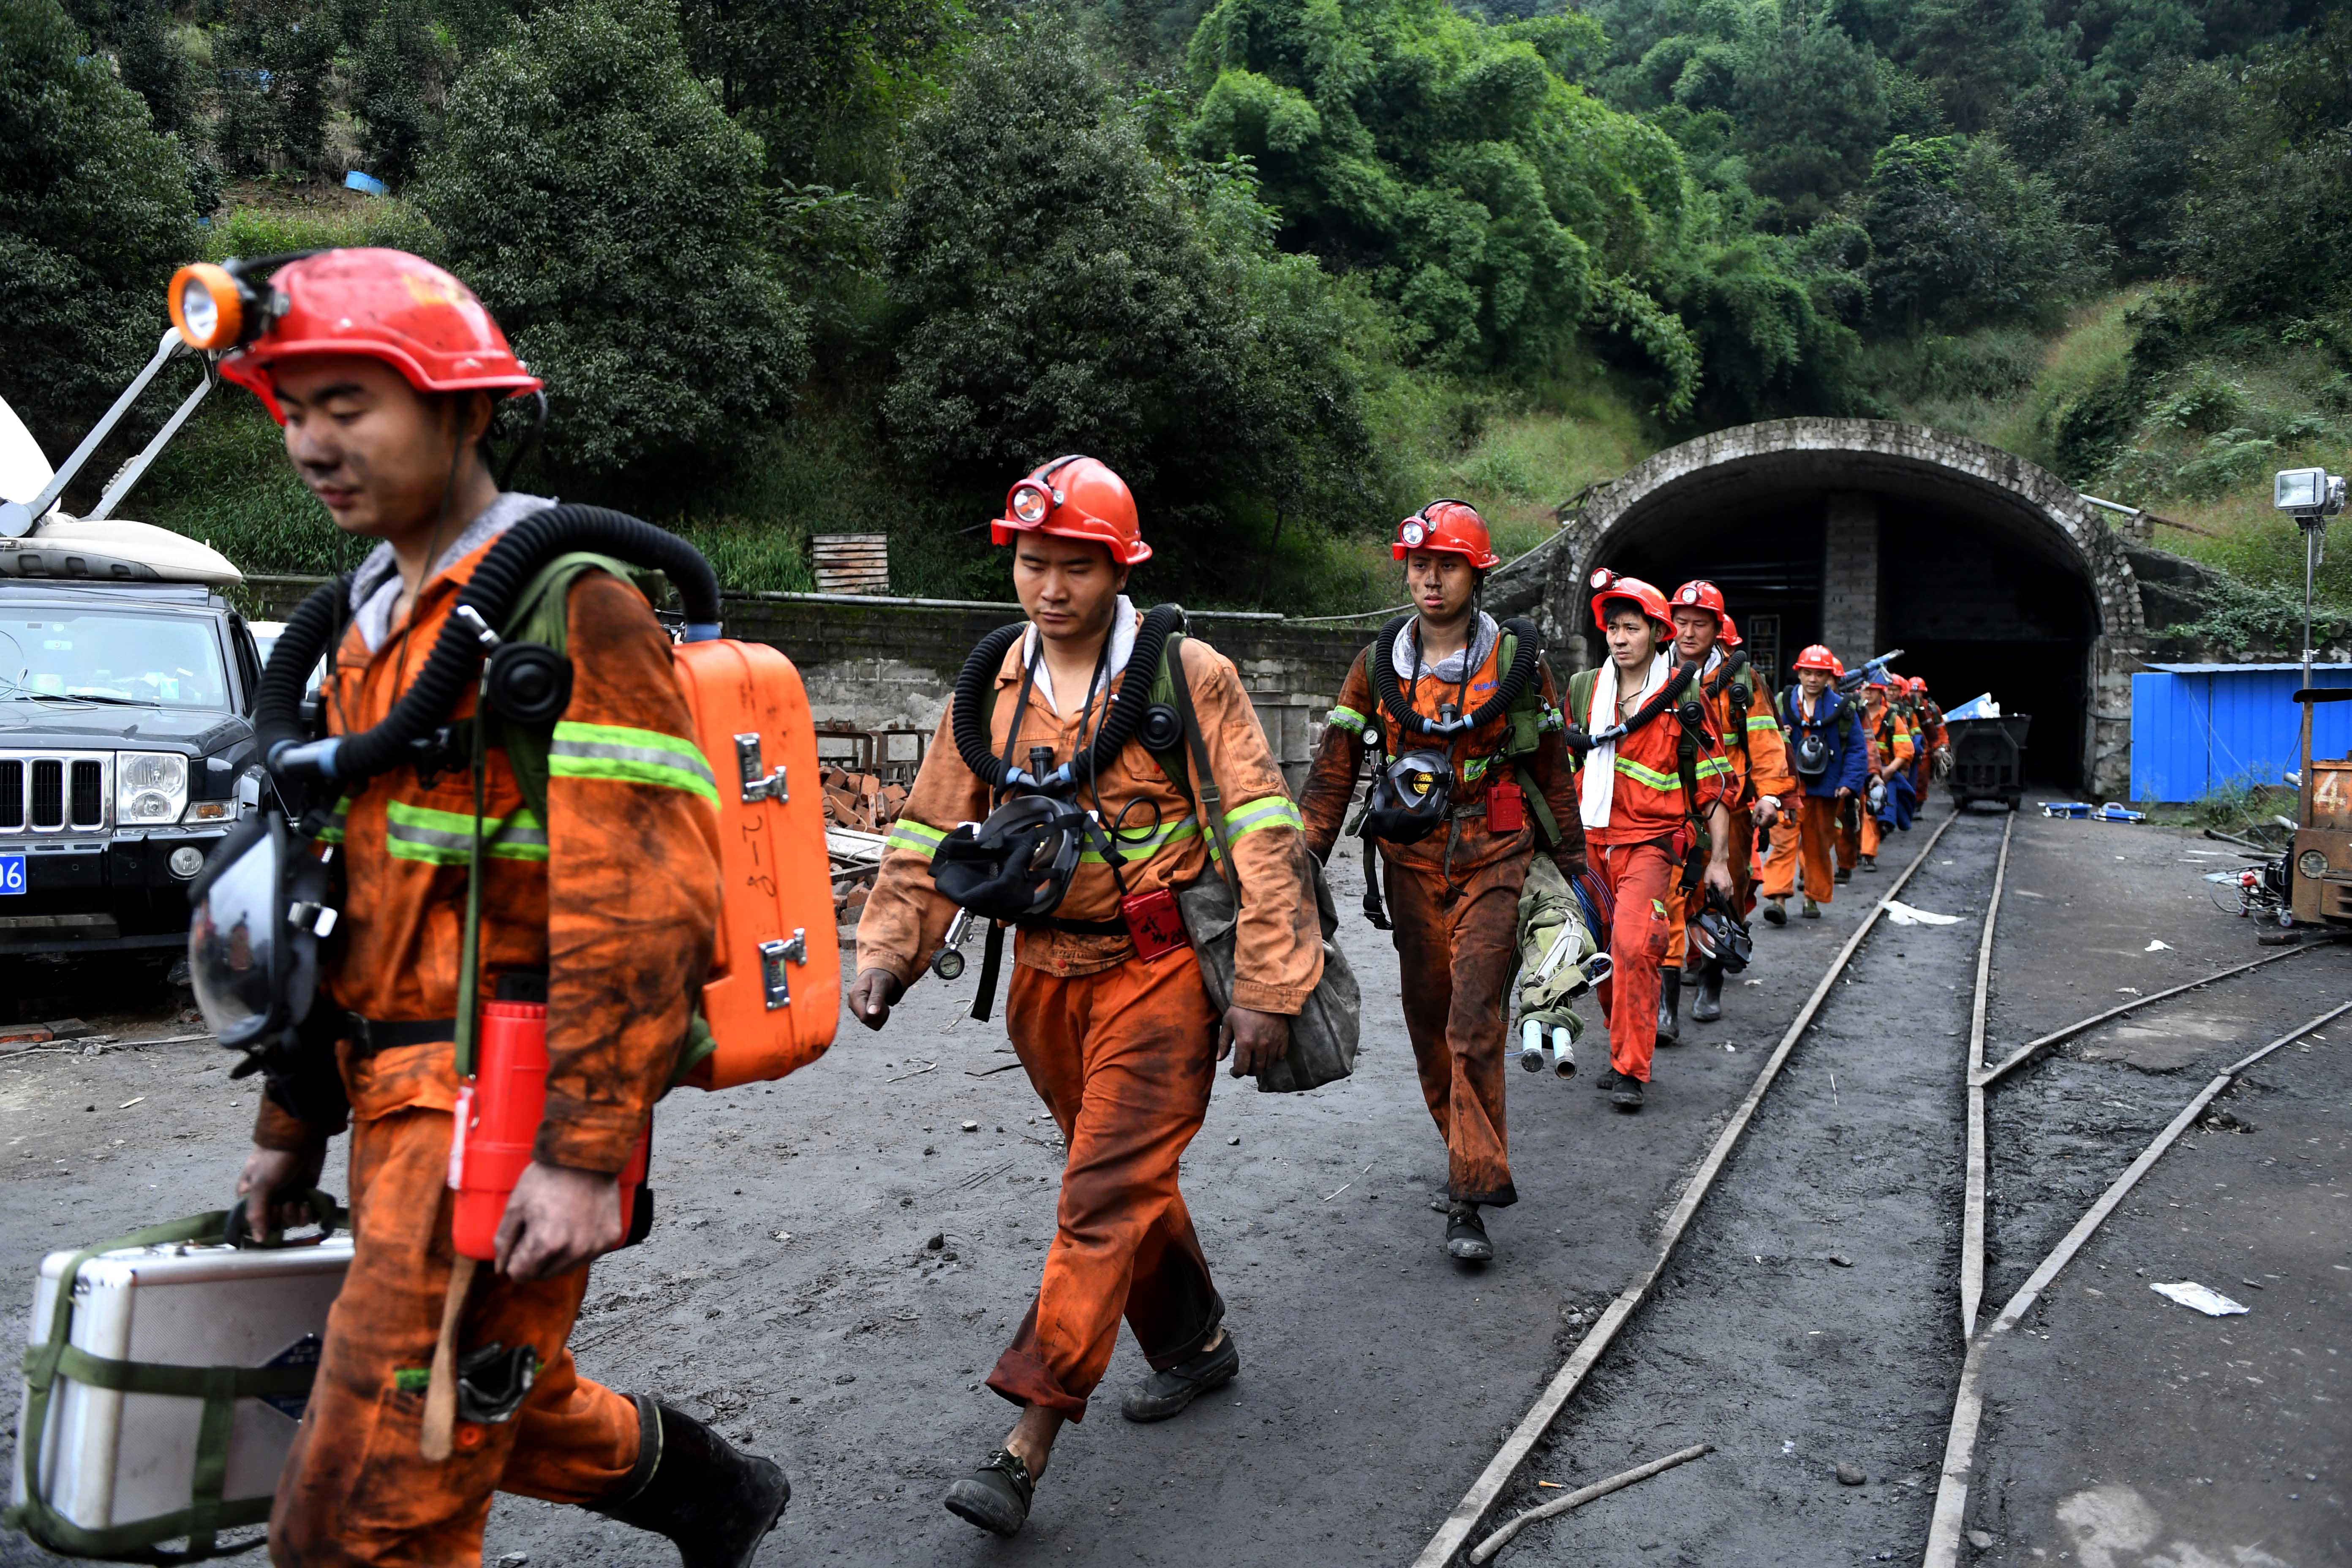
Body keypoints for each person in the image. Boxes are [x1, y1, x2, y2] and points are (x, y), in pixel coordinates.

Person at [224, 250, 785, 1568]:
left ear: (466, 410)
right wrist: (290, 1123)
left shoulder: (569, 602)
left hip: (497, 1099)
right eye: (292, 407)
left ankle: (709, 1489)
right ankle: (709, 1490)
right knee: (445, 1415)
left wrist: (587, 1148)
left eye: (350, 401)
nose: (312, 440)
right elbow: (346, 909)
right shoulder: (368, 626)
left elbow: (639, 902)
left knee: (367, 1515)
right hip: (391, 1093)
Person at [847, 456, 1320, 1538]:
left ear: (1119, 569)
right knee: (1122, 1179)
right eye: (1030, 562)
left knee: (1099, 1194)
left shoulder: (1186, 674)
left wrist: (1265, 982)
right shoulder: (991, 688)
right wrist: (886, 952)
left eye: (1073, 566)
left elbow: (1259, 828)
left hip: (1157, 977)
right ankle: (1196, 1342)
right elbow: (928, 828)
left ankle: (1026, 1441)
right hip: (1043, 982)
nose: (1048, 586)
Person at [1296, 500, 1587, 1259]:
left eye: (1446, 565)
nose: (1429, 577)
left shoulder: (1517, 665)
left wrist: (1578, 869)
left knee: (1471, 1021)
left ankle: (1469, 1194)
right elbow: (1333, 771)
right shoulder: (1375, 666)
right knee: (1429, 1028)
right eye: (1419, 564)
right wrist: (1299, 862)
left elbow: (1551, 770)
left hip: (1495, 852)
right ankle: (1463, 1148)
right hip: (1411, 862)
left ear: (1475, 574)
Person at [1563, 573, 1735, 1112]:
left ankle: (1631, 1069)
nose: (1619, 637)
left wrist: (1721, 860)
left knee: (1637, 948)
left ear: (1656, 634)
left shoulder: (1683, 696)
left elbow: (1714, 787)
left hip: (1653, 844)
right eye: (1612, 627)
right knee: (1601, 956)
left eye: (1631, 628)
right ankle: (1621, 1050)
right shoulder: (1585, 691)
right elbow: (1565, 768)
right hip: (1591, 845)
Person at [1658, 583, 1794, 1025]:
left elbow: (1766, 740)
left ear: (1718, 629)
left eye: (1700, 624)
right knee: (1669, 900)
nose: (1689, 632)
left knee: (1722, 893)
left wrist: (1772, 793)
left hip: (1727, 808)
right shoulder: (1654, 671)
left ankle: (1712, 982)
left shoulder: (1740, 681)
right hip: (1668, 806)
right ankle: (1667, 1005)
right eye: (1681, 622)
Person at [1761, 645, 1868, 921]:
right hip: (1789, 787)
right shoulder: (1783, 703)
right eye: (1808, 673)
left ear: (1829, 677)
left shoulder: (1843, 709)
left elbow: (1858, 749)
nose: (1813, 679)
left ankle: (1813, 897)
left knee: (1818, 845)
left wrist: (1849, 783)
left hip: (1826, 789)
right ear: (1799, 673)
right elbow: (1763, 740)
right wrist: (1779, 734)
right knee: (1784, 842)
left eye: (1819, 674)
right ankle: (1779, 899)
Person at [1855, 672, 1915, 872]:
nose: (1869, 693)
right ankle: (1852, 851)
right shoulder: (1852, 714)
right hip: (1854, 772)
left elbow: (1906, 750)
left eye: (1873, 689)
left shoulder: (1891, 718)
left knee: (1872, 811)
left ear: (1881, 692)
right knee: (1850, 813)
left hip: (1880, 773)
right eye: (1866, 689)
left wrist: (1889, 771)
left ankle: (1868, 855)